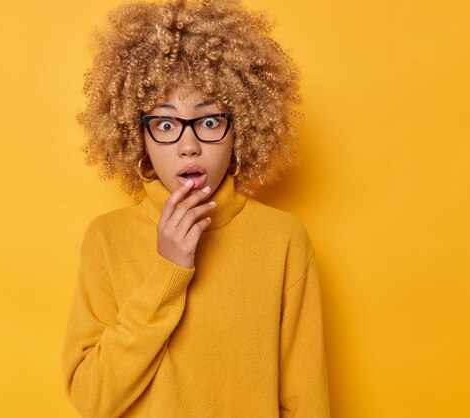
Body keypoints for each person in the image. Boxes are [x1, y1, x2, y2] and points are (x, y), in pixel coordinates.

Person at [61, 0, 330, 416]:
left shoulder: (283, 240)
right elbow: (92, 399)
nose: (189, 145)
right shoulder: (107, 239)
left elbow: (305, 401)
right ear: (139, 136)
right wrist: (169, 274)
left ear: (241, 127)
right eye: (166, 124)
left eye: (208, 121)